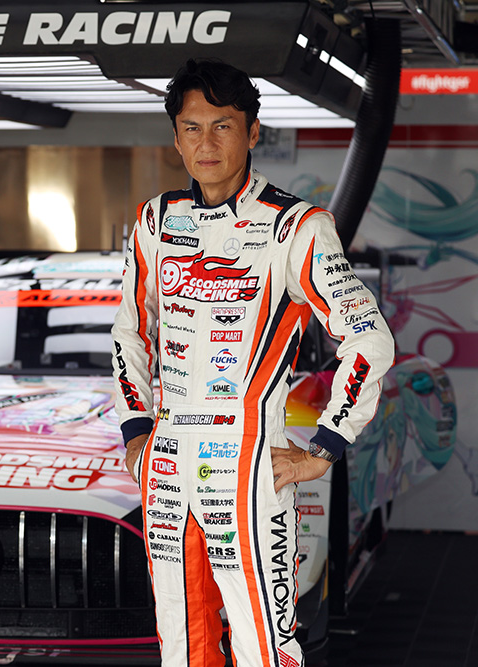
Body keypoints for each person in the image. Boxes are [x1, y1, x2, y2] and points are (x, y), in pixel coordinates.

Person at [111, 59, 395, 667]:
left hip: (249, 467)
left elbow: (369, 340)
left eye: (223, 126)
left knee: (264, 646)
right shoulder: (155, 221)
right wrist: (136, 429)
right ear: (176, 137)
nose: (206, 143)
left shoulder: (295, 227)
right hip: (165, 466)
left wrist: (325, 448)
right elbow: (130, 331)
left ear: (253, 132)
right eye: (192, 128)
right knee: (181, 646)